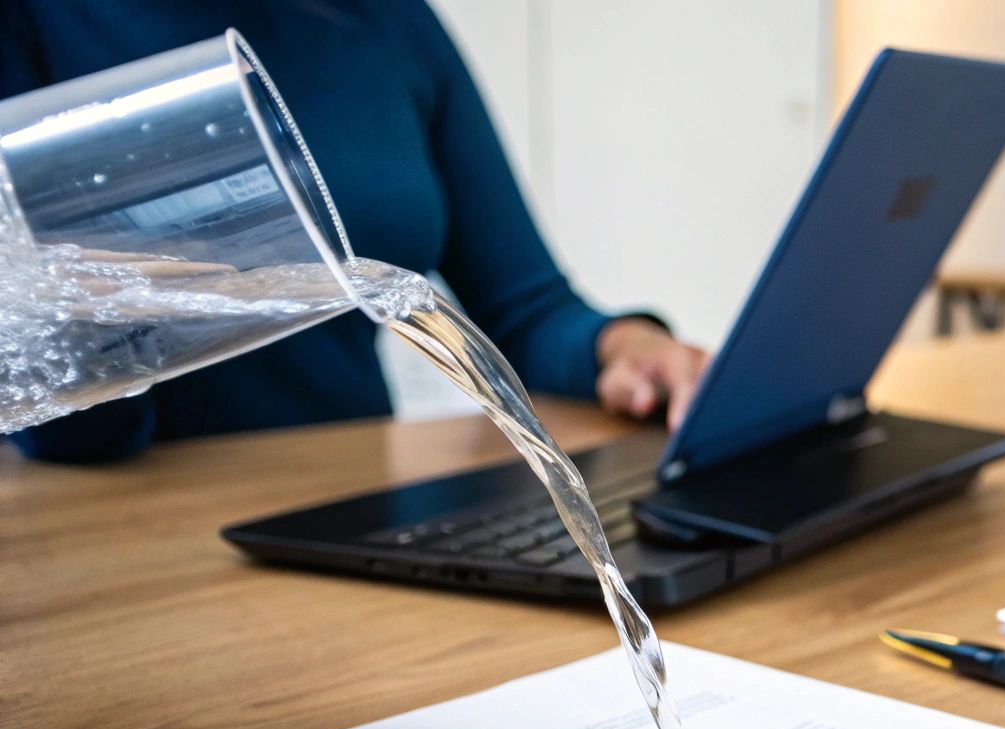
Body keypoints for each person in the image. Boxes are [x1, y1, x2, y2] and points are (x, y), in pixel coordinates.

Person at [0, 0, 709, 463]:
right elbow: (54, 407)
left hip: (350, 507)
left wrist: (627, 348)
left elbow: (525, 313)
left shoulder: (387, 21)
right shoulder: (31, 22)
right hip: (112, 525)